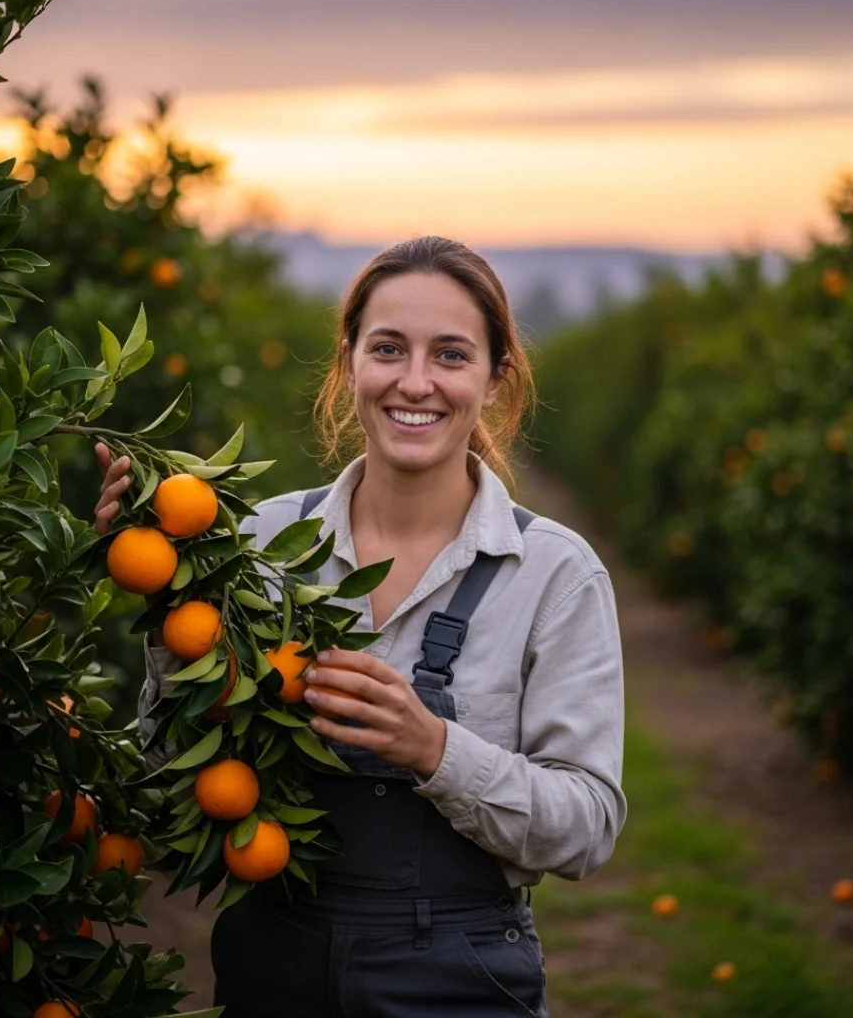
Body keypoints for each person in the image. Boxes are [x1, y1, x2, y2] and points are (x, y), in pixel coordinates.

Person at [94, 235, 626, 1017]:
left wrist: (437, 752)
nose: (416, 382)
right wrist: (169, 600)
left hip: (459, 979)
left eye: (451, 354)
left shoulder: (551, 574)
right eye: (388, 349)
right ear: (349, 363)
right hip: (272, 966)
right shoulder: (256, 544)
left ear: (495, 376)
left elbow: (586, 828)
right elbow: (169, 777)